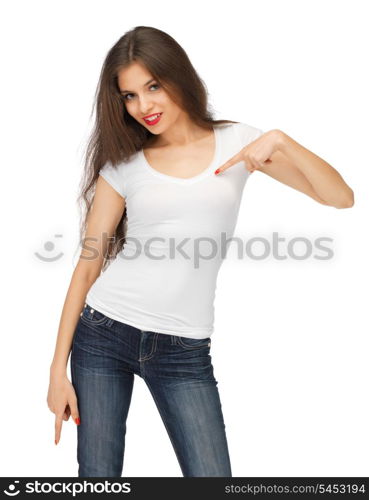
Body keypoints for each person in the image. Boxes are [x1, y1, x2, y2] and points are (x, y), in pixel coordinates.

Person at [46, 26, 354, 478]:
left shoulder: (241, 145)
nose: (144, 106)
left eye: (153, 86)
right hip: (103, 333)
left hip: (183, 349)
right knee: (98, 477)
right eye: (130, 96)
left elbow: (340, 197)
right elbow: (88, 266)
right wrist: (57, 371)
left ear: (178, 76)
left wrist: (283, 140)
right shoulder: (124, 164)